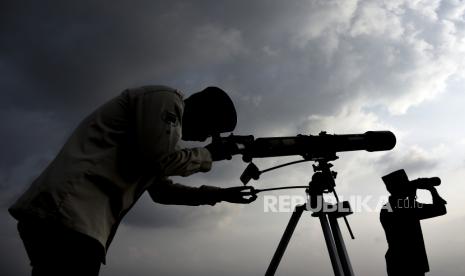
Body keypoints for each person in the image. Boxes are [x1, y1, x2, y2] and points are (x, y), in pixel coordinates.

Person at [9, 85, 257, 276]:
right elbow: (160, 161)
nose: (202, 137)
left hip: (74, 221)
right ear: (202, 111)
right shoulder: (166, 99)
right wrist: (210, 154)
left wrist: (221, 194)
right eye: (208, 129)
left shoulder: (156, 138)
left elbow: (163, 192)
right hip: (68, 214)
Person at [380, 169, 447, 276]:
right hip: (410, 264)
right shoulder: (404, 207)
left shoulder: (388, 208)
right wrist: (432, 190)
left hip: (398, 264)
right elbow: (440, 210)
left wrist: (413, 192)